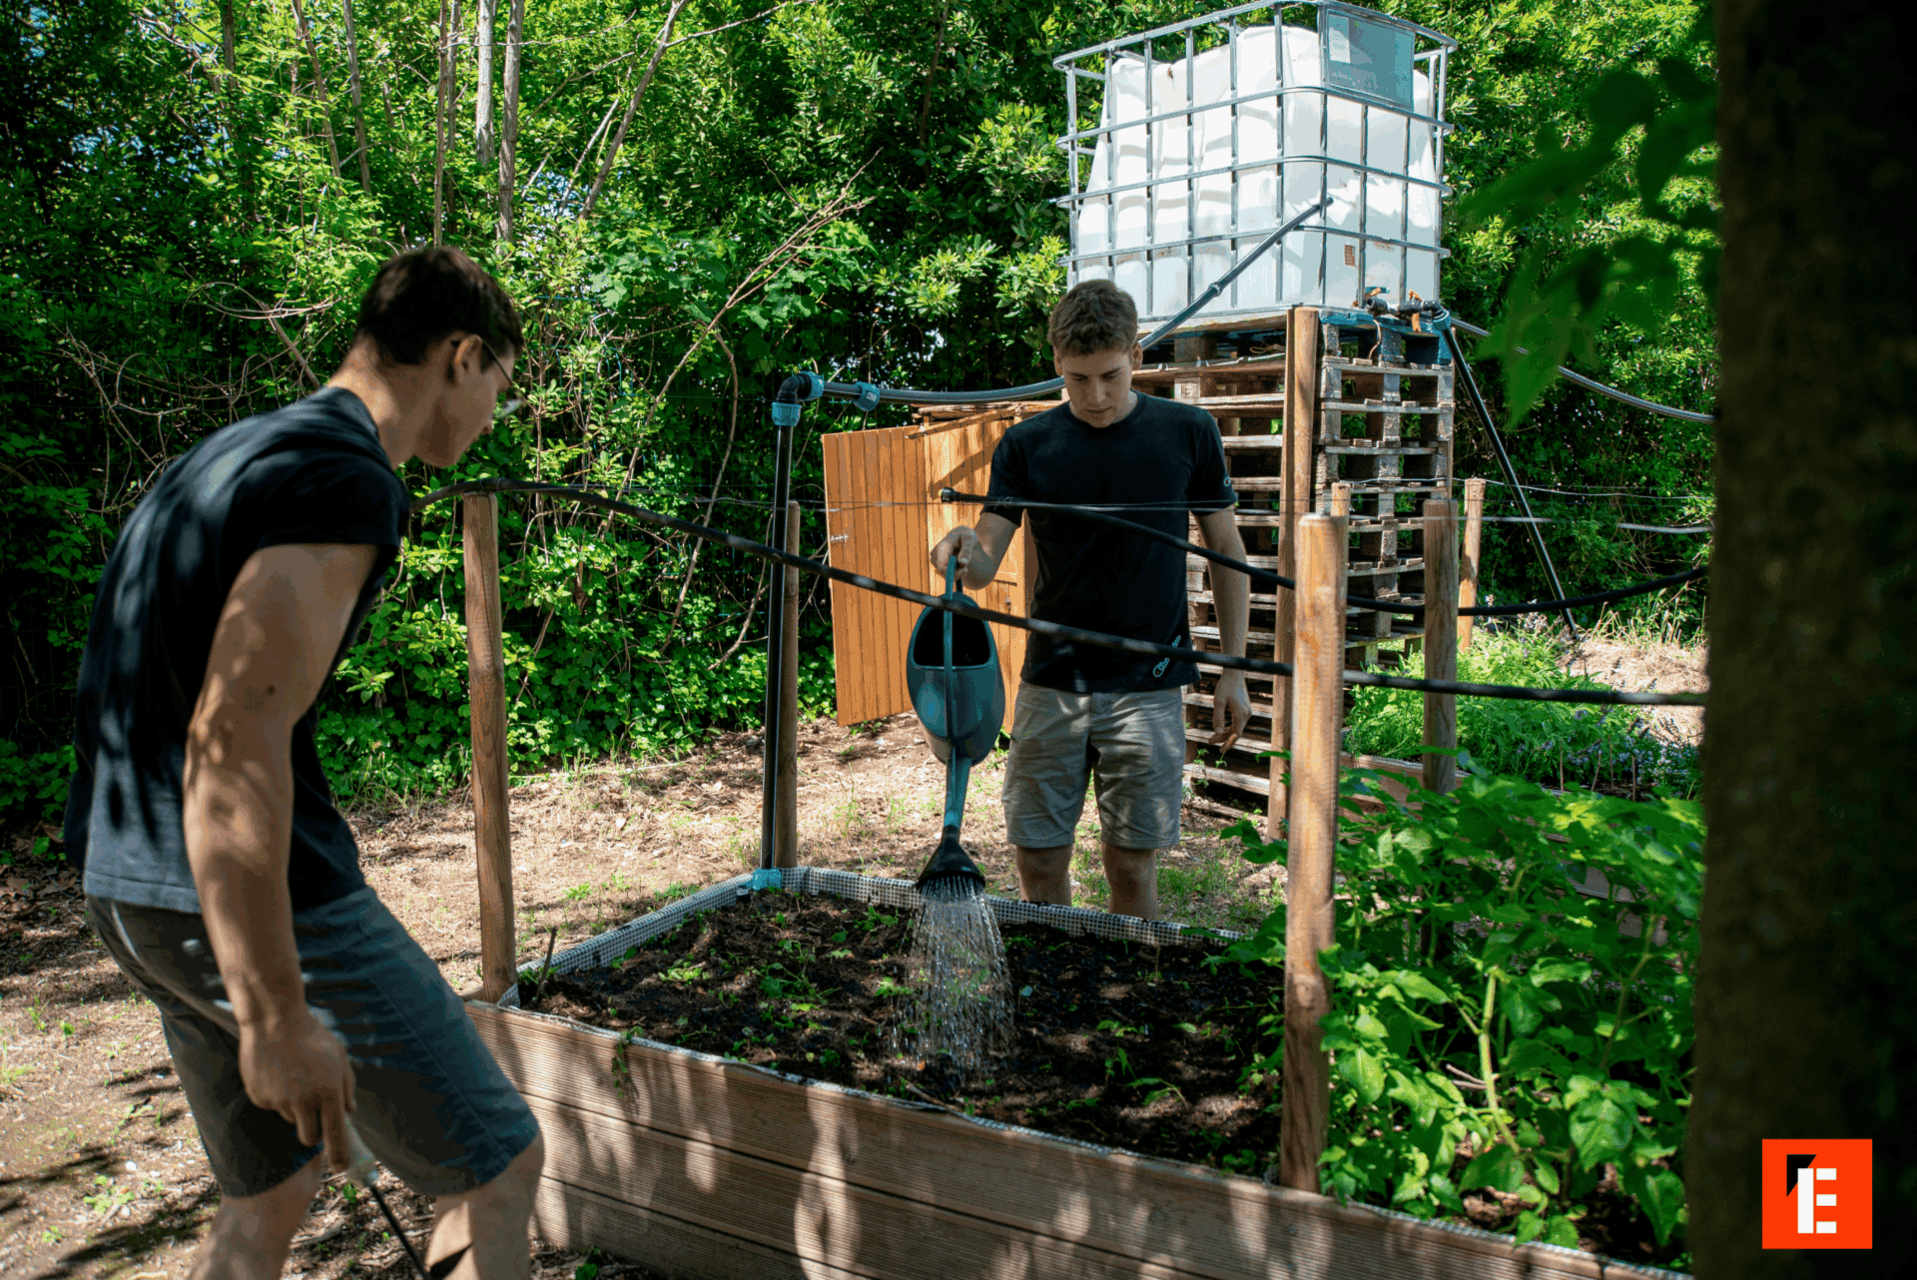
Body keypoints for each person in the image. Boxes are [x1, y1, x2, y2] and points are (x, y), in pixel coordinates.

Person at [63, 247, 544, 1280]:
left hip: (125, 883)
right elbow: (233, 737)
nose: (495, 416)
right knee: (494, 1165)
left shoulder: (229, 452)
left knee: (271, 1189)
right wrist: (277, 1011)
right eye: (501, 386)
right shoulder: (342, 476)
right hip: (238, 891)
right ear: (460, 356)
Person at [930, 279, 1252, 921]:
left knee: (1131, 865)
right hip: (1052, 685)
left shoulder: (1187, 432)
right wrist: (959, 551)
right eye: (1079, 379)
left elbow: (1228, 554)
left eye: (1110, 375)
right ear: (1056, 362)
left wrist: (1234, 671)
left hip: (1149, 686)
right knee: (1038, 857)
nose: (1096, 396)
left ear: (1136, 352)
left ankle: (1126, 1002)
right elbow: (984, 563)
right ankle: (1056, 993)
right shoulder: (1027, 445)